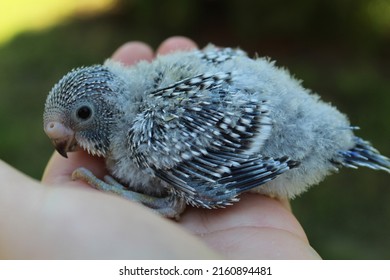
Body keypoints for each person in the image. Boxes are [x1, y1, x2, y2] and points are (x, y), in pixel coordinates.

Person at [0, 36, 320, 259]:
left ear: (109, 107)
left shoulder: (149, 133)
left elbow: (177, 203)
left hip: (296, 141)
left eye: (83, 115)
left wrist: (110, 189)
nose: (67, 142)